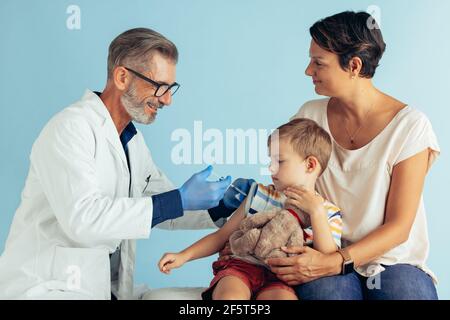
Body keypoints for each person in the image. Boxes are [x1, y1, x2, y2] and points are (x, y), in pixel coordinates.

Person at [0, 28, 249, 300]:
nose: (167, 99)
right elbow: (83, 220)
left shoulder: (131, 141)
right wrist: (177, 199)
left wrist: (221, 206)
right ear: (122, 77)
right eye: (160, 87)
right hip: (50, 287)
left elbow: (164, 205)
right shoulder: (70, 129)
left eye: (171, 88)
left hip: (108, 287)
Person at [233, 11, 440, 300]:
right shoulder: (309, 116)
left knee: (407, 293)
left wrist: (337, 261)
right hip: (321, 247)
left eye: (318, 62)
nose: (308, 70)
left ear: (353, 66)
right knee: (329, 294)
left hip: (391, 260)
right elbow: (285, 187)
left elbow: (399, 227)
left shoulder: (410, 126)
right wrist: (236, 220)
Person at [158, 118, 343, 300]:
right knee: (231, 297)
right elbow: (222, 237)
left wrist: (316, 213)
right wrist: (183, 256)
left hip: (281, 279)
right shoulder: (259, 195)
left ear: (310, 165)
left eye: (279, 161)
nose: (270, 167)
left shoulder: (328, 212)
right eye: (270, 160)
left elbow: (326, 259)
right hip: (240, 267)